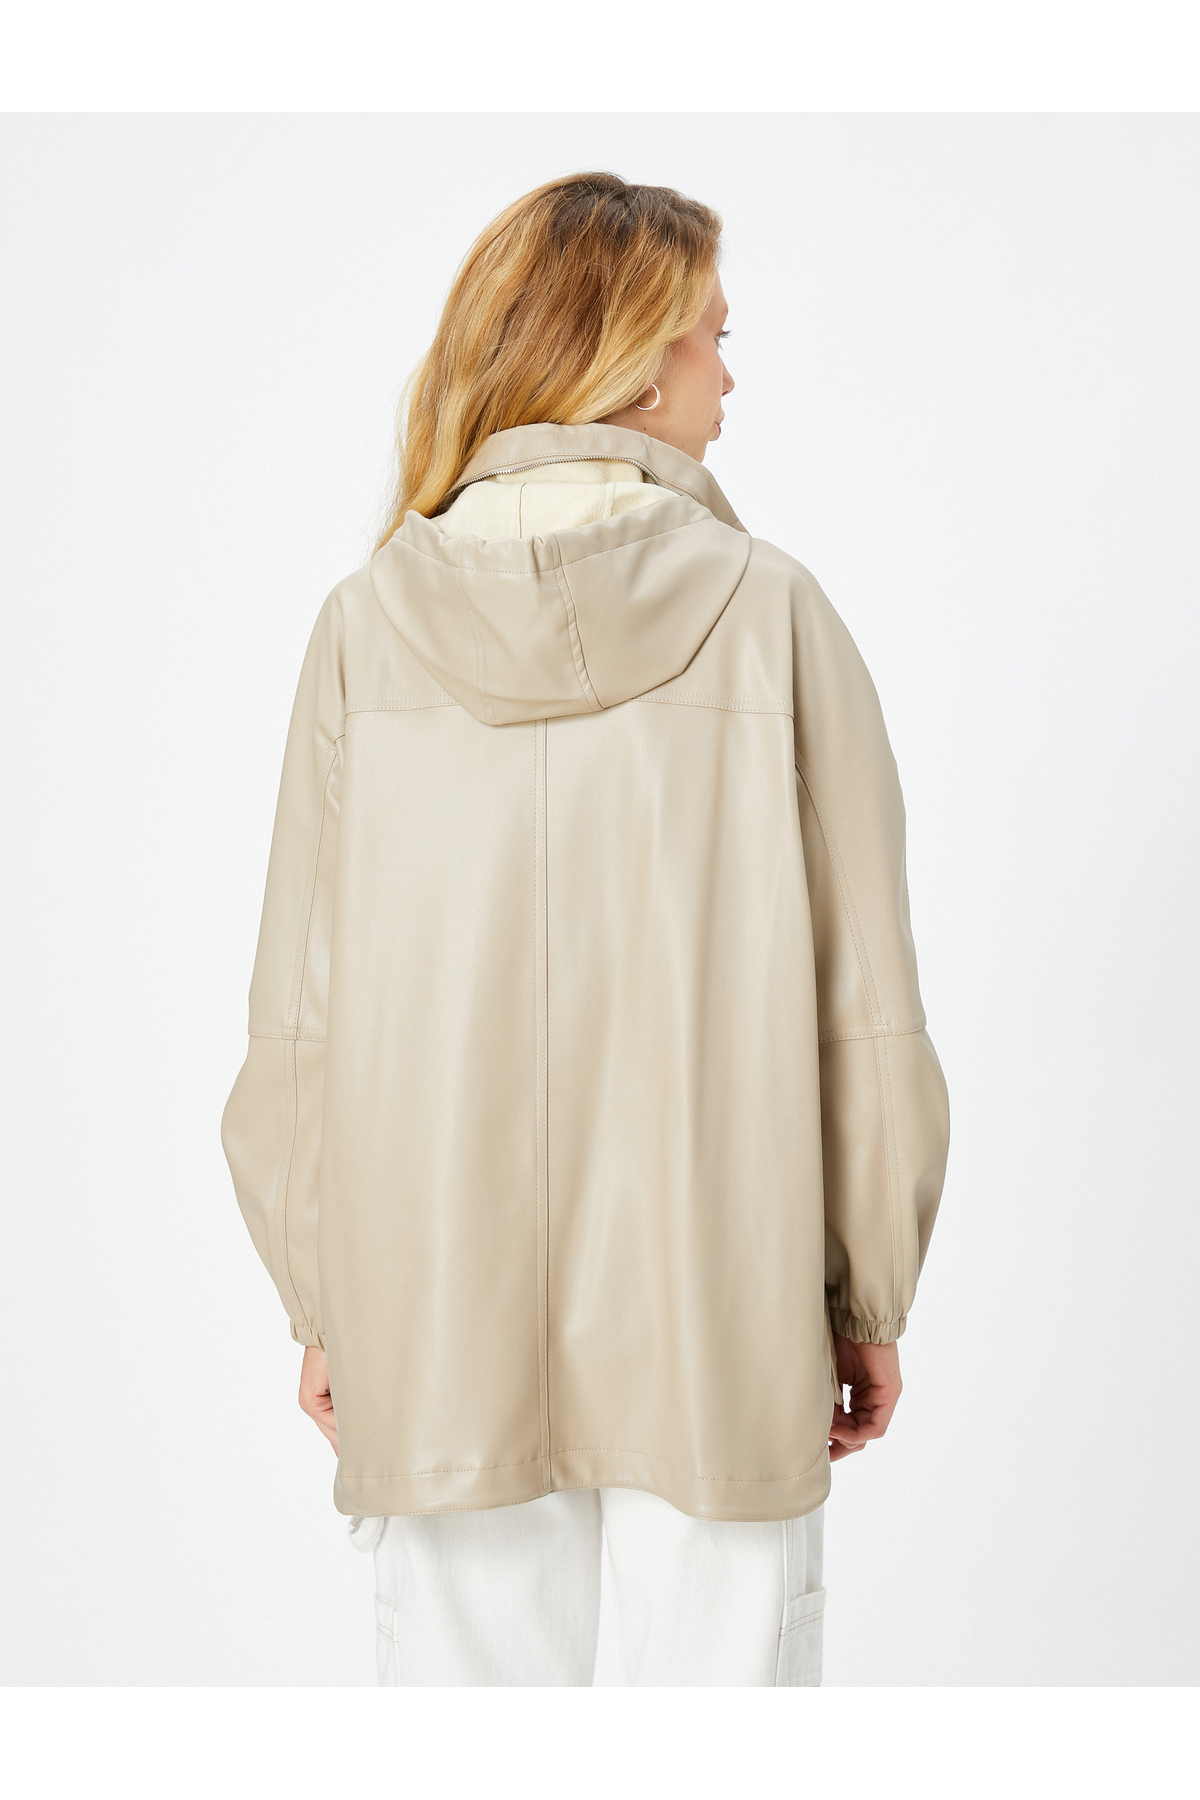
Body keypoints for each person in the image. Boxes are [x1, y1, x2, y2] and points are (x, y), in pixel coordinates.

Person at [221, 172, 951, 1687]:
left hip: (435, 1297)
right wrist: (863, 1286)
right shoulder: (771, 611)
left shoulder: (366, 624)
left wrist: (330, 1293)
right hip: (723, 1291)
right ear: (631, 365)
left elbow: (301, 1016)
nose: (731, 379)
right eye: (714, 339)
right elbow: (863, 1000)